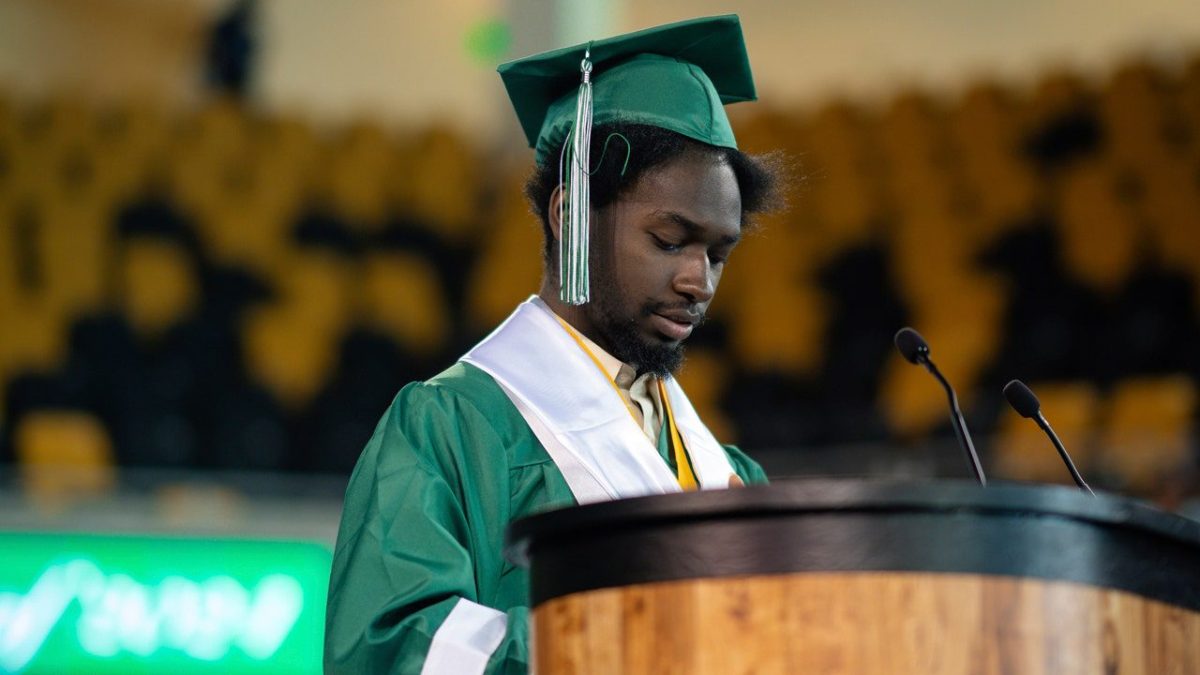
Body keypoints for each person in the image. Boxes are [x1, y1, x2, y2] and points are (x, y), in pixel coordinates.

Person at [324, 14, 781, 674]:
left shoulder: (725, 473)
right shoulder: (451, 429)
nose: (698, 281)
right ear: (570, 214)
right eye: (669, 240)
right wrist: (628, 639)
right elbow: (391, 646)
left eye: (718, 254)